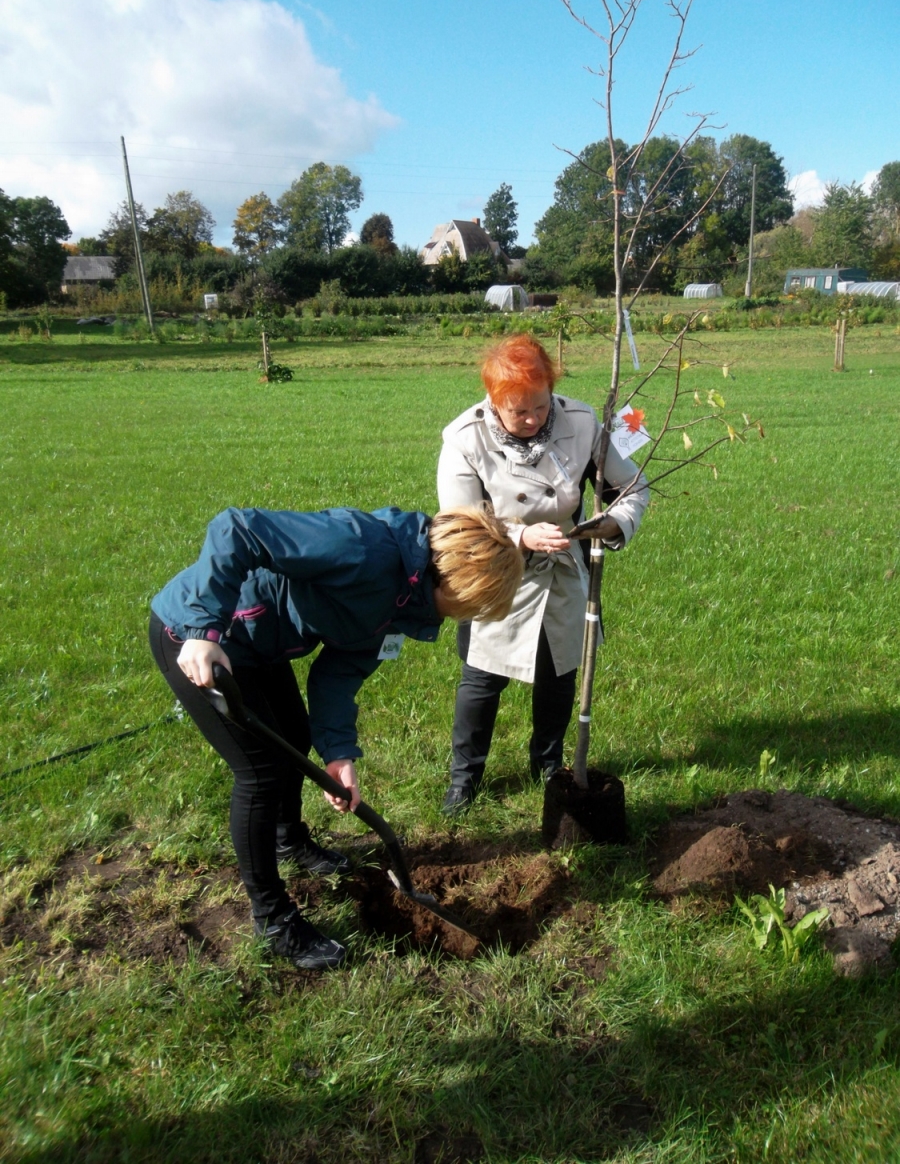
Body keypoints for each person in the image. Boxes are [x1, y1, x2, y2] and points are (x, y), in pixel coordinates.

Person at [150, 503, 523, 970]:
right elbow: (239, 529)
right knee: (262, 771)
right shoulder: (360, 548)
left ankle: (289, 840)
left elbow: (339, 673)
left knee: (295, 736)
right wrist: (202, 626)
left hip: (257, 647)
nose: (463, 616)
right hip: (196, 639)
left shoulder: (404, 603)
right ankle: (273, 918)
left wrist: (339, 752)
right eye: (469, 605)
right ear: (451, 578)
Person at [436, 333, 649, 815]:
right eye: (518, 412)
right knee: (482, 678)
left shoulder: (580, 421)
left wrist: (614, 521)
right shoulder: (464, 438)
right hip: (496, 571)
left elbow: (634, 485)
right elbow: (459, 524)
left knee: (559, 672)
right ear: (494, 402)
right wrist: (519, 537)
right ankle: (464, 779)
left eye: (539, 406)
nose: (532, 419)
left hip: (562, 571)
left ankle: (549, 765)